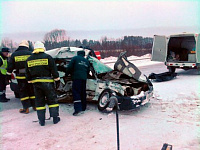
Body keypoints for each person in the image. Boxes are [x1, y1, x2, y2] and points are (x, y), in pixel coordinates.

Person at [25, 41, 60, 126]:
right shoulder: (48, 57)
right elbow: (54, 70)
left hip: (36, 84)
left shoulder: (29, 59)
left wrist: (29, 82)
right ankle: (55, 119)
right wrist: (57, 80)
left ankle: (41, 121)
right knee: (52, 100)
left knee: (39, 102)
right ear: (43, 48)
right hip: (48, 83)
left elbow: (27, 73)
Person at [7, 40, 35, 113]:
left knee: (23, 92)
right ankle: (35, 106)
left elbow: (10, 67)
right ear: (27, 46)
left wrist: (8, 76)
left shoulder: (14, 54)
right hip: (30, 77)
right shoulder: (30, 53)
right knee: (32, 91)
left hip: (20, 77)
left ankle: (26, 108)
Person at [64, 50, 90, 116]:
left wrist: (66, 74)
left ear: (78, 53)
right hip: (84, 79)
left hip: (76, 78)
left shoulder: (75, 58)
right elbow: (88, 70)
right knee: (82, 92)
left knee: (76, 92)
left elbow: (69, 67)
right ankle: (83, 107)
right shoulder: (86, 61)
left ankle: (78, 109)